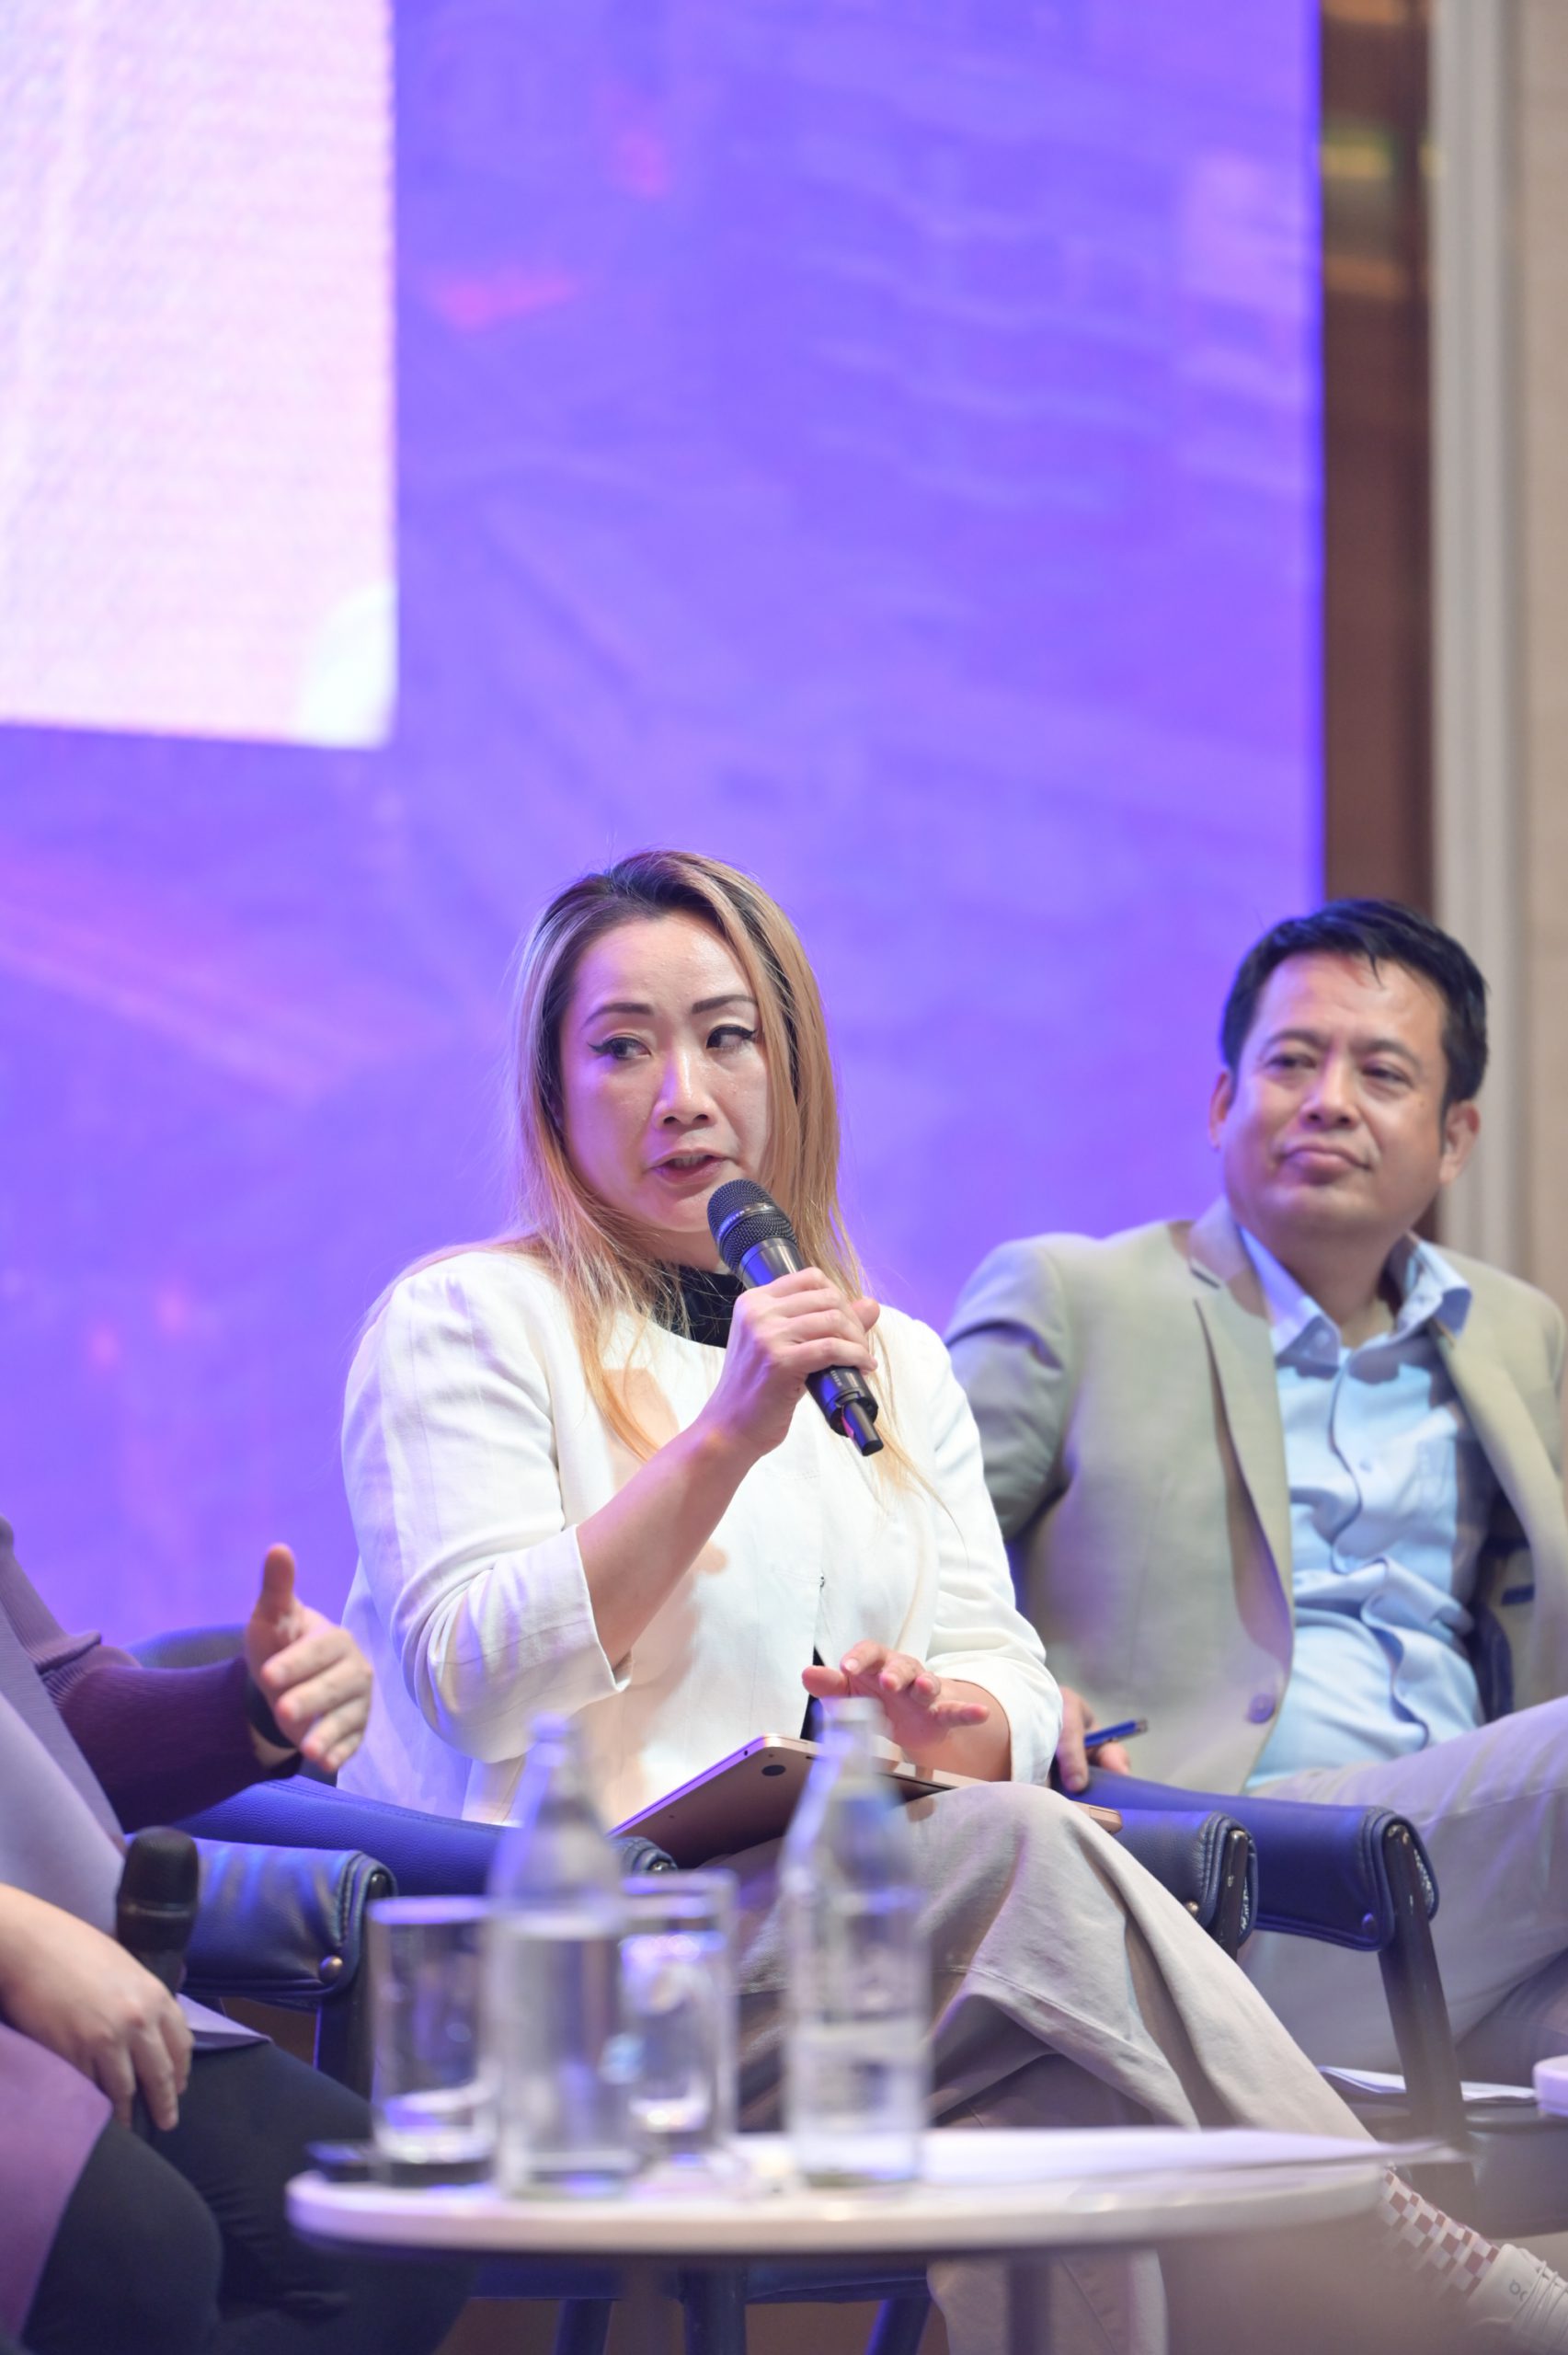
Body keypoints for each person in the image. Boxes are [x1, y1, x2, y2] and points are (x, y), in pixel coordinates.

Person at [341, 852, 1567, 2354]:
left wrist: (961, 1721)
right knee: (1024, 1861)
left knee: (1059, 2071)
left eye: (726, 1039)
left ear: (791, 1072)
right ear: (552, 1086)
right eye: (621, 1048)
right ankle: (1441, 2290)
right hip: (571, 1976)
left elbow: (1009, 1670)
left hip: (837, 1954)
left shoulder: (894, 1360)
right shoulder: (467, 1318)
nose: (683, 1095)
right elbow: (474, 1682)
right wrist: (723, 1439)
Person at [945, 897, 1568, 2085]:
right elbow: (900, 1560)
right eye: (1290, 1062)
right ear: (1223, 1102)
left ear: (1453, 1138)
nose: (1328, 1100)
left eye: (1381, 1072)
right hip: (1223, 1874)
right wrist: (1006, 1689)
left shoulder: (1514, 1333)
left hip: (1464, 1895)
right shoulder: (1074, 1296)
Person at [0, 1517, 468, 2355]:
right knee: (138, 2258)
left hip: (67, 1953)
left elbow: (40, 1706)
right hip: (28, 1948)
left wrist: (250, 1706)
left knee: (393, 2241)